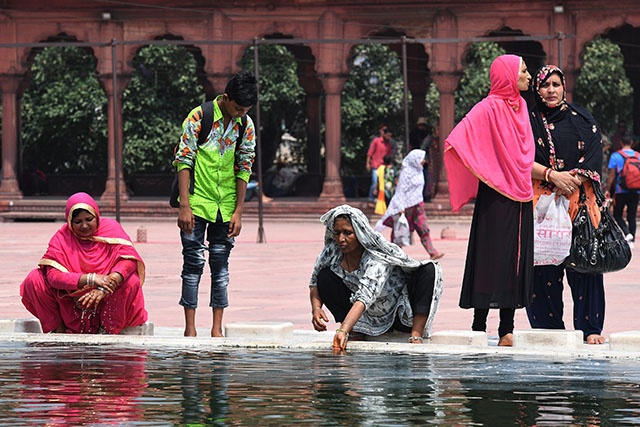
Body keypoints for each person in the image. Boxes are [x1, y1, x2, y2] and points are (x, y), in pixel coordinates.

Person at [444, 54, 534, 347]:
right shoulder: (488, 107)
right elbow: (457, 139)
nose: (528, 75)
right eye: (523, 70)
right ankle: (479, 325)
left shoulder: (520, 107)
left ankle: (506, 327)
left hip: (521, 193)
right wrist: (486, 166)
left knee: (514, 259)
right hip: (495, 194)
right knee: (488, 258)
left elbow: (523, 152)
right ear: (508, 75)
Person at [525, 64, 606, 345]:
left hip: (579, 202)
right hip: (542, 204)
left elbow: (595, 153)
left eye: (556, 85)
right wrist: (552, 177)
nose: (551, 90)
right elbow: (520, 157)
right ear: (537, 89)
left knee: (585, 263)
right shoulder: (528, 119)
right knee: (543, 265)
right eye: (545, 85)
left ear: (564, 87)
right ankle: (548, 328)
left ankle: (590, 327)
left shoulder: (582, 117)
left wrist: (570, 179)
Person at [174, 70, 258, 337]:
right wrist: (184, 205)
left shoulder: (245, 124)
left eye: (245, 109)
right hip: (197, 203)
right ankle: (190, 329)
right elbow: (184, 160)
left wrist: (239, 211)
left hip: (226, 205)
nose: (240, 113)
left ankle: (217, 329)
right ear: (225, 97)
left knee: (220, 267)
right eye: (236, 108)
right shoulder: (199, 117)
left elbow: (244, 166)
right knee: (193, 264)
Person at [309, 205, 443, 350]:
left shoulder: (377, 257)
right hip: (365, 316)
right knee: (325, 276)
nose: (341, 239)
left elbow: (366, 295)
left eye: (348, 233)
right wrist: (316, 308)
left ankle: (416, 335)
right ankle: (356, 331)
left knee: (429, 270)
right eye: (337, 233)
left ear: (360, 233)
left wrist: (343, 330)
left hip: (400, 315)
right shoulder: (332, 251)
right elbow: (315, 281)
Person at [19, 192, 147, 334]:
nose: (84, 226)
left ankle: (108, 332)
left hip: (107, 297)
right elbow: (53, 276)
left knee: (131, 281)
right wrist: (91, 279)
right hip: (71, 302)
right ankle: (57, 333)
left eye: (89, 219)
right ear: (69, 222)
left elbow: (128, 260)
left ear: (97, 216)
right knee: (34, 279)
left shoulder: (111, 229)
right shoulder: (62, 237)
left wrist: (105, 286)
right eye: (78, 222)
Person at [375, 148, 444, 260]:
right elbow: (401, 190)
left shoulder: (419, 170)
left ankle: (432, 252)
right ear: (414, 159)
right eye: (421, 158)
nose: (423, 161)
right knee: (400, 230)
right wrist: (401, 206)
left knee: (423, 228)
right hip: (406, 206)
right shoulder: (406, 173)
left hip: (418, 205)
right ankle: (395, 255)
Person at [606, 131, 638, 248]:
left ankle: (627, 233)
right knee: (632, 215)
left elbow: (612, 175)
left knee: (618, 214)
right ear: (632, 143)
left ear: (621, 142)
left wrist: (608, 189)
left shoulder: (616, 156)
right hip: (635, 191)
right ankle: (632, 239)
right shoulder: (638, 156)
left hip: (620, 191)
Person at [366, 125, 393, 202]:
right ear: (383, 134)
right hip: (375, 165)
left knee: (383, 183)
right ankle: (371, 197)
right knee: (375, 182)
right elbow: (370, 153)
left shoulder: (389, 145)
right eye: (387, 135)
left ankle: (380, 198)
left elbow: (389, 156)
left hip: (384, 166)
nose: (388, 138)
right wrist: (368, 163)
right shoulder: (376, 141)